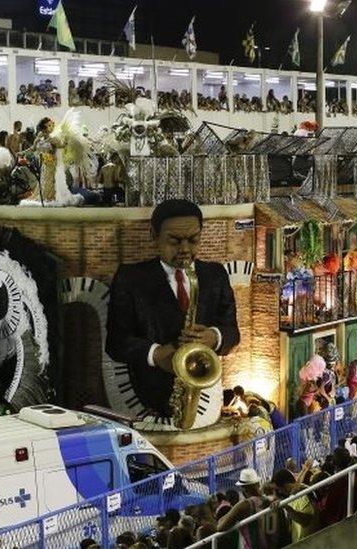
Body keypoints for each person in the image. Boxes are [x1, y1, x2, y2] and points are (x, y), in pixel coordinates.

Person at [107, 200, 240, 418]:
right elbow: (115, 342)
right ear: (153, 235)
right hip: (147, 399)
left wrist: (214, 337)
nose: (185, 249)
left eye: (193, 239)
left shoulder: (216, 275)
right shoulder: (130, 279)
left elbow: (232, 332)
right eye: (175, 241)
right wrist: (156, 353)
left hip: (205, 395)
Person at [215, 468, 267, 546]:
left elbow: (220, 528)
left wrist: (224, 517)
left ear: (243, 488)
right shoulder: (267, 500)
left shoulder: (244, 505)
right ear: (258, 484)